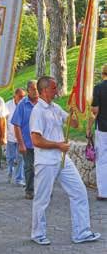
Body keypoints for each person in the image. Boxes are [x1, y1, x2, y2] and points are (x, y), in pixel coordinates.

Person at [29, 76, 101, 245]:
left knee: (79, 191)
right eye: (54, 88)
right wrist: (58, 145)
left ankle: (81, 232)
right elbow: (36, 140)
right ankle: (38, 233)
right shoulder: (37, 111)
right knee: (42, 198)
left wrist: (74, 112)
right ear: (45, 90)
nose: (57, 90)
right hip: (46, 161)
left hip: (62, 159)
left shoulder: (55, 108)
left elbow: (74, 124)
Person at [11, 80, 38, 199]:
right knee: (29, 167)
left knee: (43, 168)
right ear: (28, 91)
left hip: (42, 143)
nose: (36, 91)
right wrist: (21, 144)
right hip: (28, 143)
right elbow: (16, 125)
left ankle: (43, 189)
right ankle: (29, 190)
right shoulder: (22, 104)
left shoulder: (43, 103)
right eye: (33, 89)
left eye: (37, 89)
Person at [87, 64, 107, 200]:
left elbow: (95, 112)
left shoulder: (99, 88)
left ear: (103, 73)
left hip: (103, 129)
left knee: (102, 161)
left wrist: (88, 128)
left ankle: (103, 193)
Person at [5, 88, 26, 185]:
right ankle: (9, 171)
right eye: (20, 96)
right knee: (10, 157)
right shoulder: (8, 105)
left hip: (21, 137)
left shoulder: (26, 105)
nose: (22, 98)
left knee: (20, 158)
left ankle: (19, 178)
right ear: (15, 96)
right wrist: (4, 135)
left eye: (23, 96)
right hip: (10, 136)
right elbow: (4, 121)